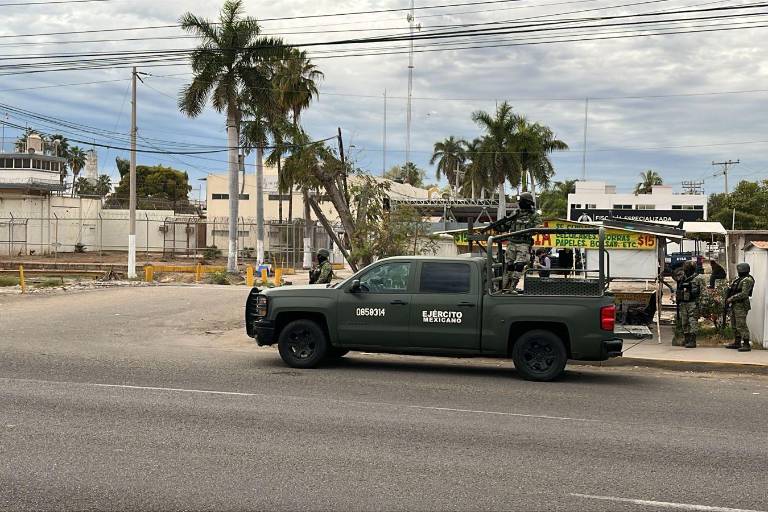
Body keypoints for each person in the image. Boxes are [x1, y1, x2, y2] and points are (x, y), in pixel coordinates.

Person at [724, 262, 755, 352]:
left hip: (741, 305)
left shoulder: (747, 280)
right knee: (734, 324)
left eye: (739, 270)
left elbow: (744, 294)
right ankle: (737, 342)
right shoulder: (740, 279)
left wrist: (731, 298)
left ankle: (746, 344)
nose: (738, 272)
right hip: (735, 304)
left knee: (741, 324)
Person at [675, 261, 703, 348]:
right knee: (684, 321)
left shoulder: (698, 278)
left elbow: (703, 292)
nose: (686, 270)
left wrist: (703, 304)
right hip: (683, 303)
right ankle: (686, 339)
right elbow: (678, 289)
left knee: (692, 321)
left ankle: (692, 340)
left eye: (687, 269)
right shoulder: (682, 278)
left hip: (693, 302)